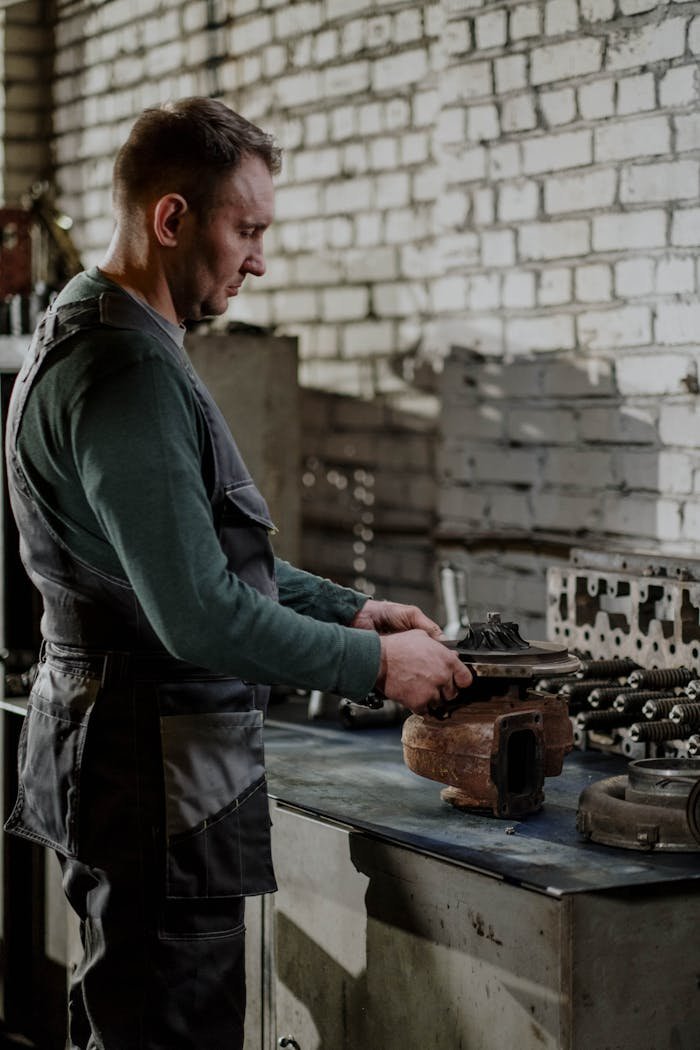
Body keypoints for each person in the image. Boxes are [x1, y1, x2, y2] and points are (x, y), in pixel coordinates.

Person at [4, 97, 472, 1050]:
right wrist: (374, 668)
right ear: (172, 219)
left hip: (121, 759)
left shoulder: (90, 329)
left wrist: (355, 610)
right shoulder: (126, 370)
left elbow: (200, 553)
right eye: (246, 228)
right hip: (152, 775)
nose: (260, 257)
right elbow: (197, 610)